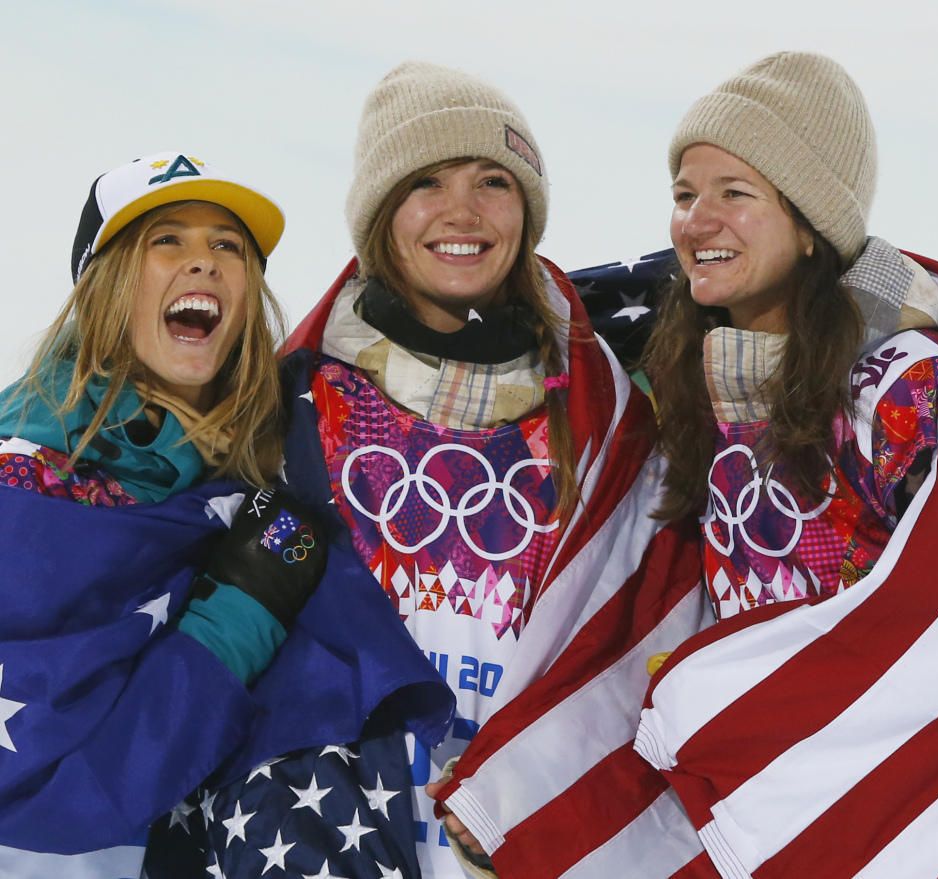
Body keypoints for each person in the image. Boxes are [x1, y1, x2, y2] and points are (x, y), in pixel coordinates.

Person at [196, 60, 695, 879]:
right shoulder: (278, 404)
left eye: (493, 180)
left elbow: (793, 284)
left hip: (518, 824)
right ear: (379, 212)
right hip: (321, 829)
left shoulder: (608, 416)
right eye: (425, 180)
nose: (462, 211)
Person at [632, 52, 938, 877]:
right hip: (753, 809)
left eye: (735, 192)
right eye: (684, 195)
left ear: (808, 224)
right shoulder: (700, 376)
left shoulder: (900, 386)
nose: (696, 221)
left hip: (886, 814)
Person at [0, 151, 330, 877]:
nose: (203, 263)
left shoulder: (279, 481)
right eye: (167, 241)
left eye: (228, 247)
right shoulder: (15, 474)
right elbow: (59, 748)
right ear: (105, 283)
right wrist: (240, 615)